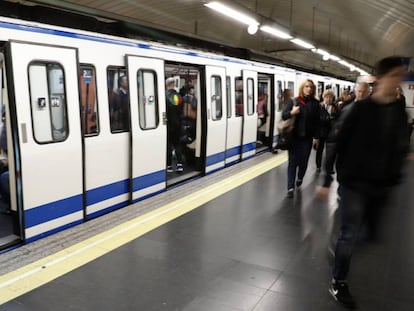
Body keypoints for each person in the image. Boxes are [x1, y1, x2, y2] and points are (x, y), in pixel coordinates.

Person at [316, 57, 409, 308]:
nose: (399, 81)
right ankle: (338, 281)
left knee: (370, 235)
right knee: (350, 234)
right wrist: (326, 179)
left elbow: (398, 142)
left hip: (382, 185)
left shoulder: (399, 109)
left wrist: (398, 166)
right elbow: (335, 143)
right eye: (396, 75)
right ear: (380, 79)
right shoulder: (360, 109)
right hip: (355, 183)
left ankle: (338, 249)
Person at [282, 79, 320, 198]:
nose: (309, 89)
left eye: (311, 87)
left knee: (303, 162)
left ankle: (300, 177)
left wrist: (316, 137)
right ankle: (290, 188)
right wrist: (292, 112)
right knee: (292, 162)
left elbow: (317, 122)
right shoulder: (294, 101)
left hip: (307, 138)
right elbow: (284, 115)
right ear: (302, 88)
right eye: (306, 86)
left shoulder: (315, 104)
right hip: (294, 138)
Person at [166, 77, 184, 173]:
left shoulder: (165, 96)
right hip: (178, 124)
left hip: (168, 125)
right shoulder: (179, 97)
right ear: (173, 84)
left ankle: (169, 166)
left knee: (168, 145)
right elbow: (181, 111)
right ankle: (180, 165)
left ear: (167, 85)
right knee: (177, 144)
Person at [315, 89, 335, 173]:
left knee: (330, 151)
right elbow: (316, 120)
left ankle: (329, 168)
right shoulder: (319, 107)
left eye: (330, 97)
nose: (329, 99)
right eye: (327, 97)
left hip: (331, 133)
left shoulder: (335, 107)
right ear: (324, 97)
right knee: (320, 149)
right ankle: (318, 165)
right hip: (321, 132)